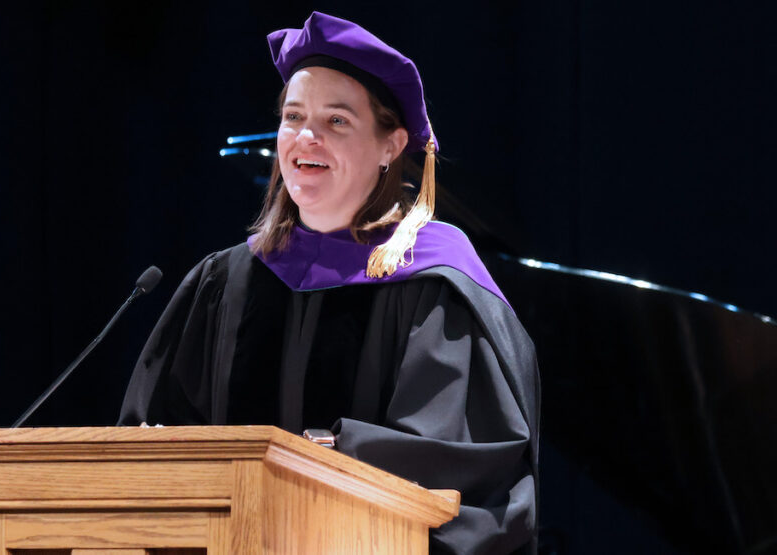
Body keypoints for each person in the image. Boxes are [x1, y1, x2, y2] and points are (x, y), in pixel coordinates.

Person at [119, 11, 539, 554]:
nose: (306, 137)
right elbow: (152, 440)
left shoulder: (435, 286)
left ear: (391, 145)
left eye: (336, 121)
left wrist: (316, 451)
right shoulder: (226, 283)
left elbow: (457, 468)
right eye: (294, 116)